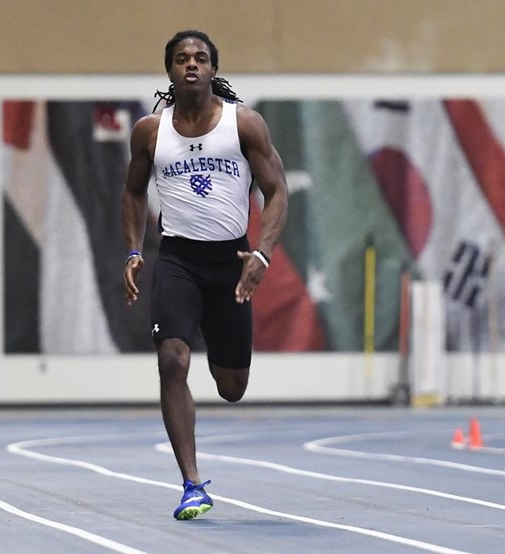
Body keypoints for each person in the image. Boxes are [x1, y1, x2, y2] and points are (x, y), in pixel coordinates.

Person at [121, 31, 288, 520]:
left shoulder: (245, 125)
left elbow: (277, 192)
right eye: (181, 59)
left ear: (214, 69)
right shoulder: (150, 132)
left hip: (231, 262)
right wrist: (132, 250)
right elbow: (132, 193)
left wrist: (262, 255)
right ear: (170, 72)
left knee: (232, 385)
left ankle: (226, 373)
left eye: (199, 58)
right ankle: (192, 483)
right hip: (177, 260)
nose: (190, 65)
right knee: (172, 362)